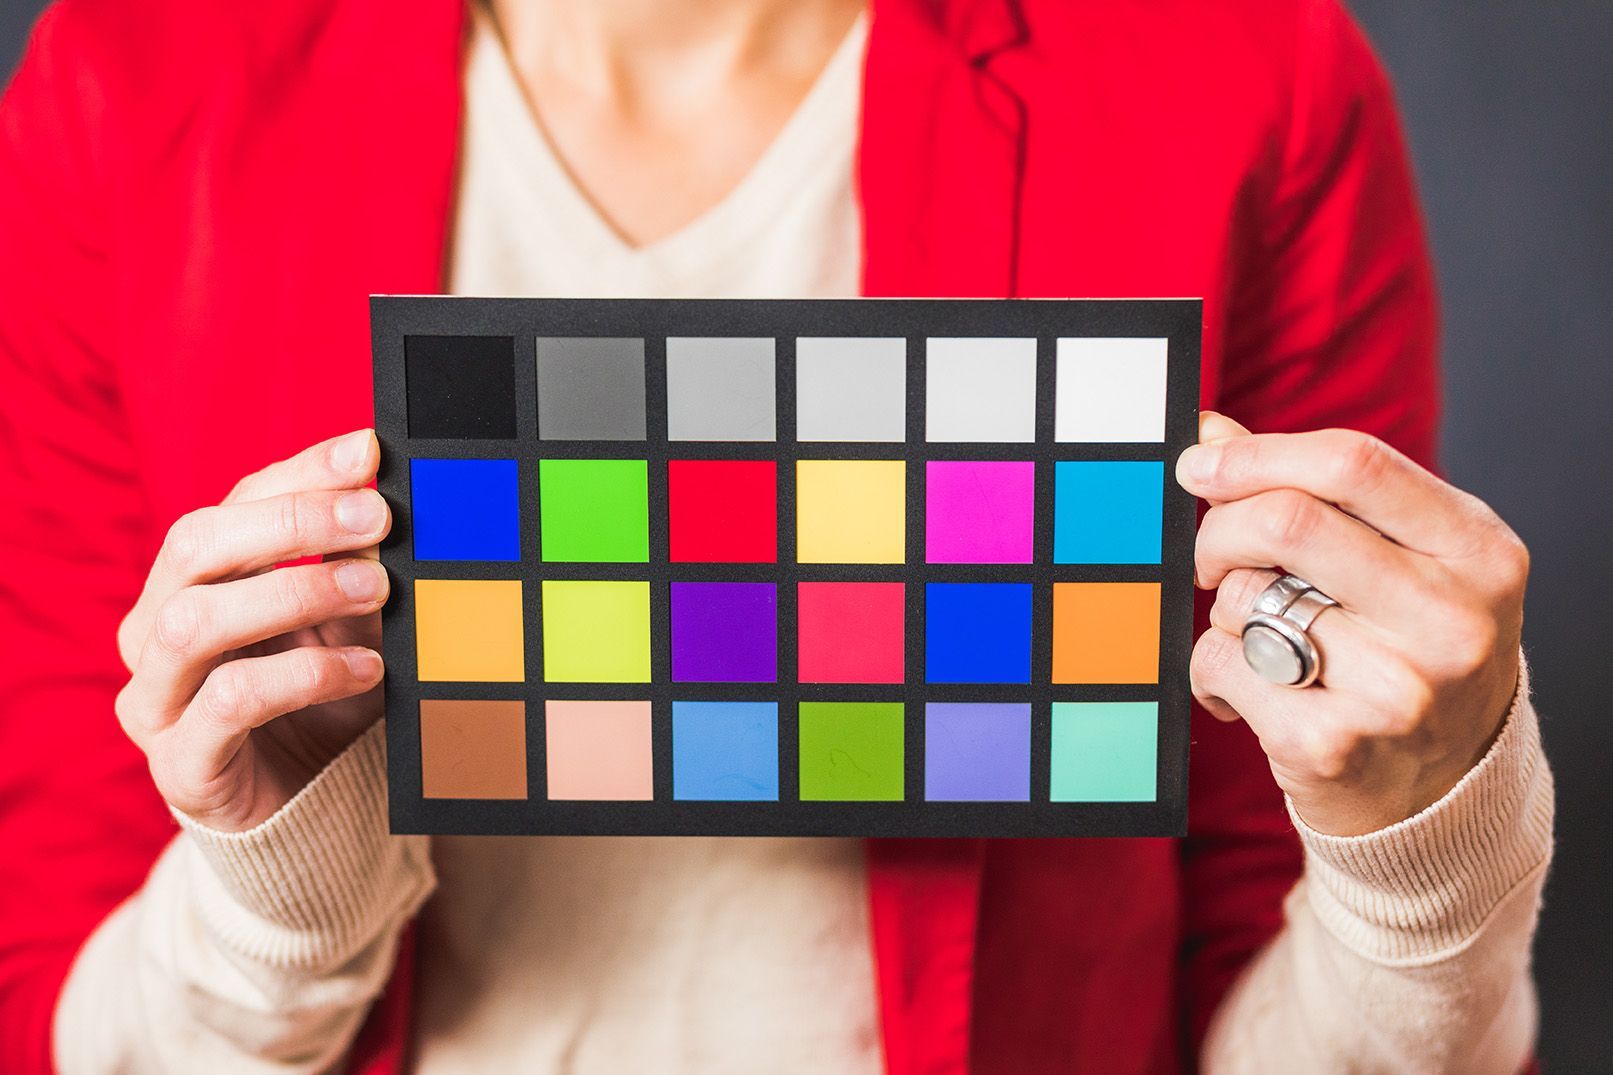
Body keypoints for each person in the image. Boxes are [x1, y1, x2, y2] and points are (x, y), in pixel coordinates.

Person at [0, 0, 1554, 1071]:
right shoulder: (124, 91)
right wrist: (276, 883)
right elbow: (49, 997)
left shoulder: (1243, 80)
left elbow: (1256, 942)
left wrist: (1426, 846)